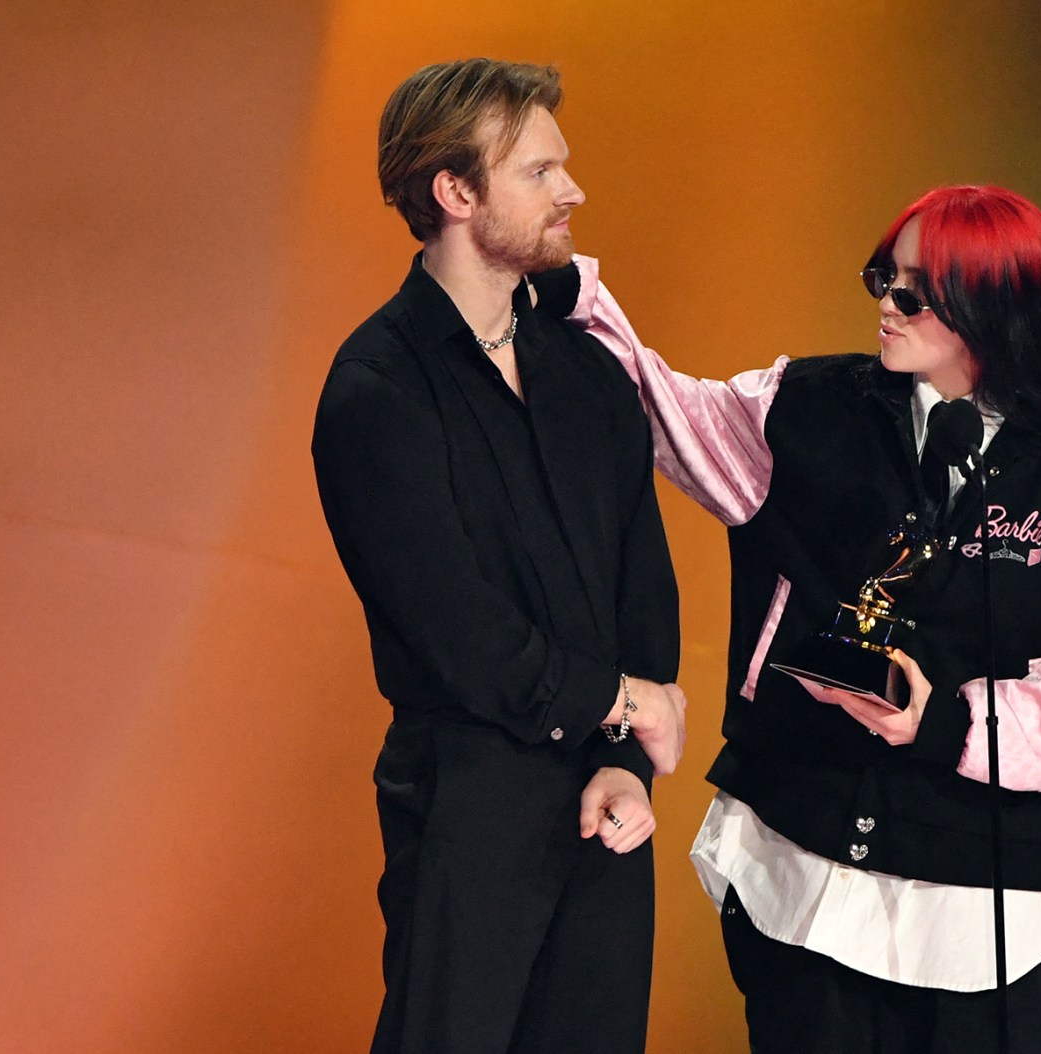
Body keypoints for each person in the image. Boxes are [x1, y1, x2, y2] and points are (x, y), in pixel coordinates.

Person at [542, 185, 1041, 1053]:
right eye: (883, 277)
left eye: (913, 292)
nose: (884, 304)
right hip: (795, 865)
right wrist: (571, 293)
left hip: (972, 913)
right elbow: (659, 409)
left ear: (993, 305)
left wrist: (941, 718)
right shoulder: (808, 405)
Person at [310, 59, 687, 1054]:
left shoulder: (588, 372)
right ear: (457, 193)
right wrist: (627, 701)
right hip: (468, 803)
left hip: (603, 810)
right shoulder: (376, 391)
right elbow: (461, 634)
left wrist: (621, 761)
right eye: (540, 172)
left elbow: (637, 578)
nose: (573, 191)